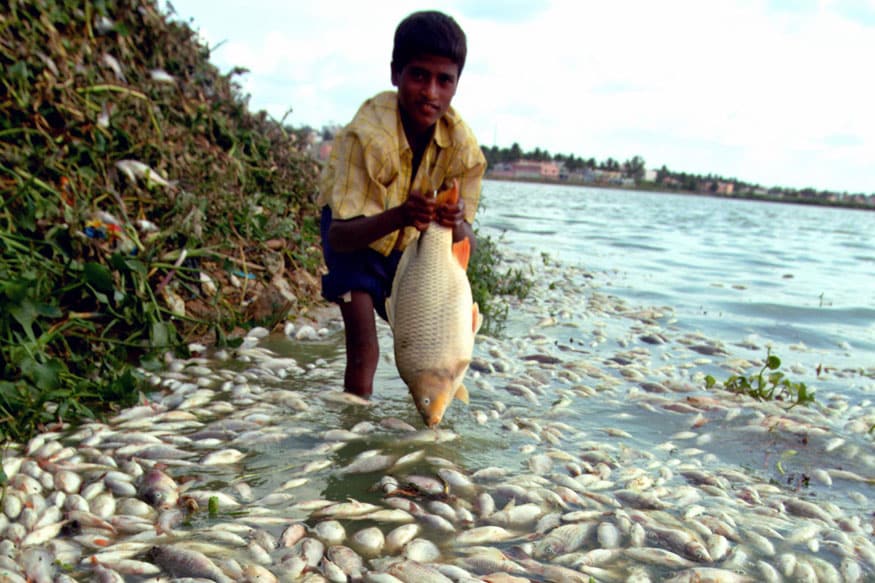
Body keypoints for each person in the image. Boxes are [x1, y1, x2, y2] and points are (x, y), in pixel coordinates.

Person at [317, 10, 486, 398]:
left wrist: (457, 223)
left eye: (444, 80)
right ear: (396, 74)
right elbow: (340, 237)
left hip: (408, 248)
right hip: (355, 236)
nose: (431, 92)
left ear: (457, 85)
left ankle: (426, 421)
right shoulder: (367, 137)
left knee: (428, 345)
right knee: (365, 350)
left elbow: (468, 246)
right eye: (419, 75)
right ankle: (353, 435)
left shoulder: (463, 148)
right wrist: (402, 215)